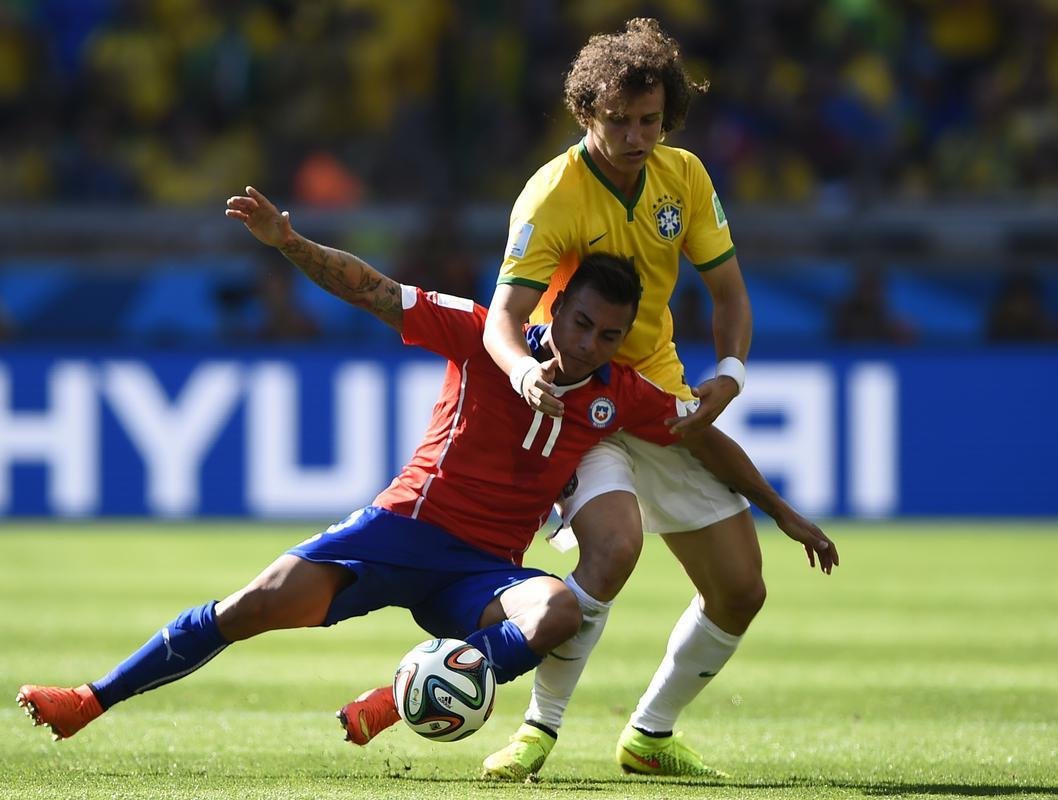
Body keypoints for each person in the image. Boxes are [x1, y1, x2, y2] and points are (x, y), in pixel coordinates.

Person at [16, 187, 837, 748]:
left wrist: (782, 509)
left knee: (558, 611)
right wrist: (291, 242)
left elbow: (700, 434)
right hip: (399, 531)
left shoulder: (619, 393)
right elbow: (374, 290)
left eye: (608, 336)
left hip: (479, 572)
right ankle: (92, 699)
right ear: (555, 309)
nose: (589, 345)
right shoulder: (485, 336)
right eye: (581, 324)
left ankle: (402, 693)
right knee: (255, 605)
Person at [481, 18, 817, 780]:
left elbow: (727, 292)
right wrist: (524, 372)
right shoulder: (553, 195)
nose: (636, 137)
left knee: (740, 591)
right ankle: (540, 729)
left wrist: (728, 370)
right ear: (584, 114)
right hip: (576, 396)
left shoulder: (685, 177)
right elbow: (502, 318)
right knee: (615, 546)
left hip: (657, 394)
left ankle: (650, 735)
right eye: (618, 122)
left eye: (649, 121)